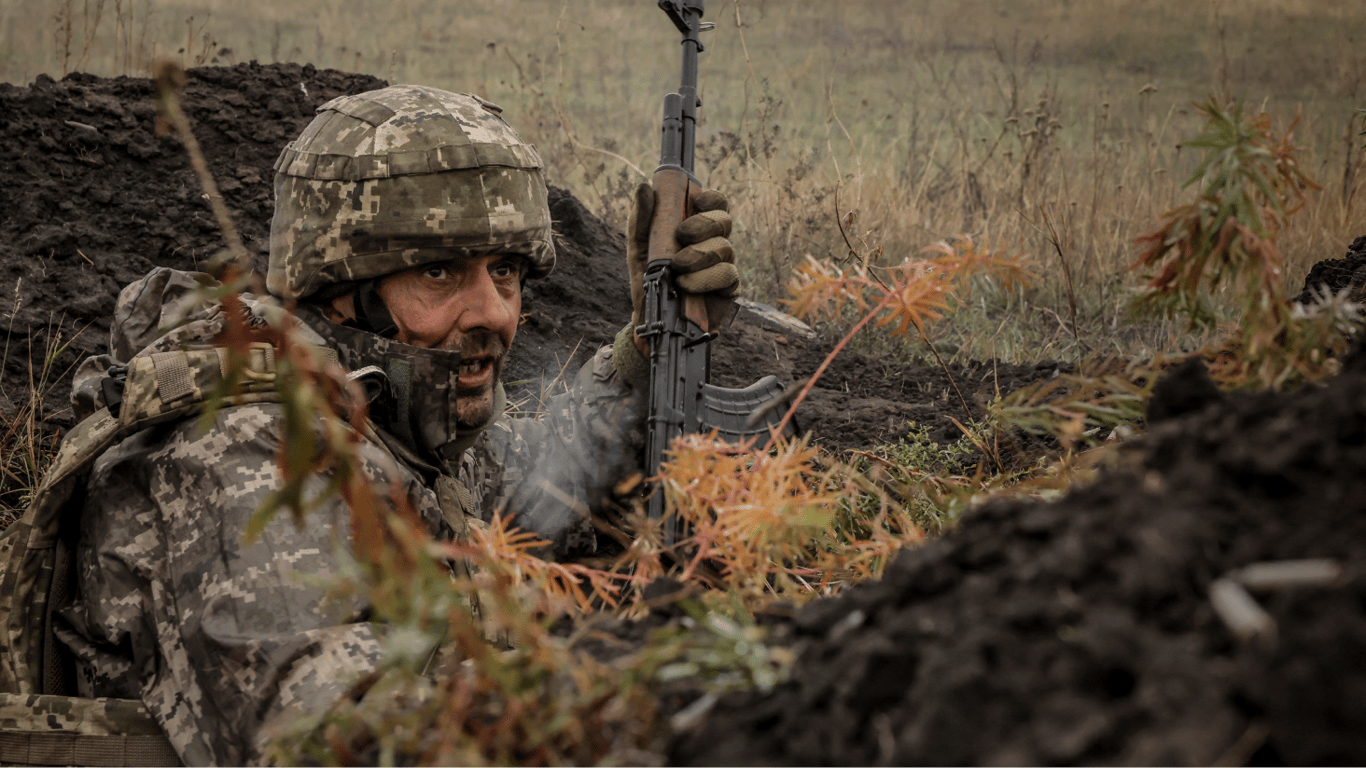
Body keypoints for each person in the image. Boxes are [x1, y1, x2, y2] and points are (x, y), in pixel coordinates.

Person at [49, 84, 738, 767]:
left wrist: (647, 352)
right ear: (336, 290)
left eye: (505, 271)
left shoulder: (385, 413)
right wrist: (624, 687)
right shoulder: (251, 456)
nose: (493, 313)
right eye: (440, 272)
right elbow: (331, 739)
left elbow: (536, 480)